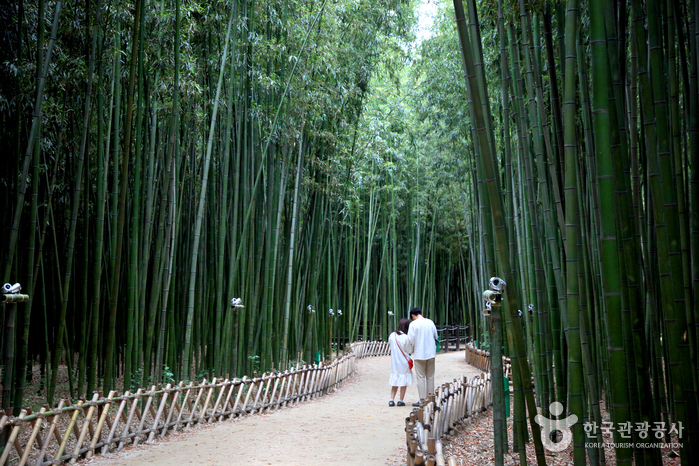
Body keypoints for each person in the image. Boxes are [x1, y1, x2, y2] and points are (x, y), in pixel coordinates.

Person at [407, 307, 438, 406]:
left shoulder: (413, 324)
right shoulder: (430, 322)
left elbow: (410, 340)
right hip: (431, 354)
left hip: (419, 354)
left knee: (420, 377)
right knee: (430, 376)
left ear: (412, 315)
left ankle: (422, 400)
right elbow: (436, 336)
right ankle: (430, 398)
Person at [388, 318, 413, 406]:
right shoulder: (406, 337)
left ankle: (391, 399)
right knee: (403, 381)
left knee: (395, 379)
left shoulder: (392, 335)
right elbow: (409, 350)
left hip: (394, 361)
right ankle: (401, 400)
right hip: (404, 361)